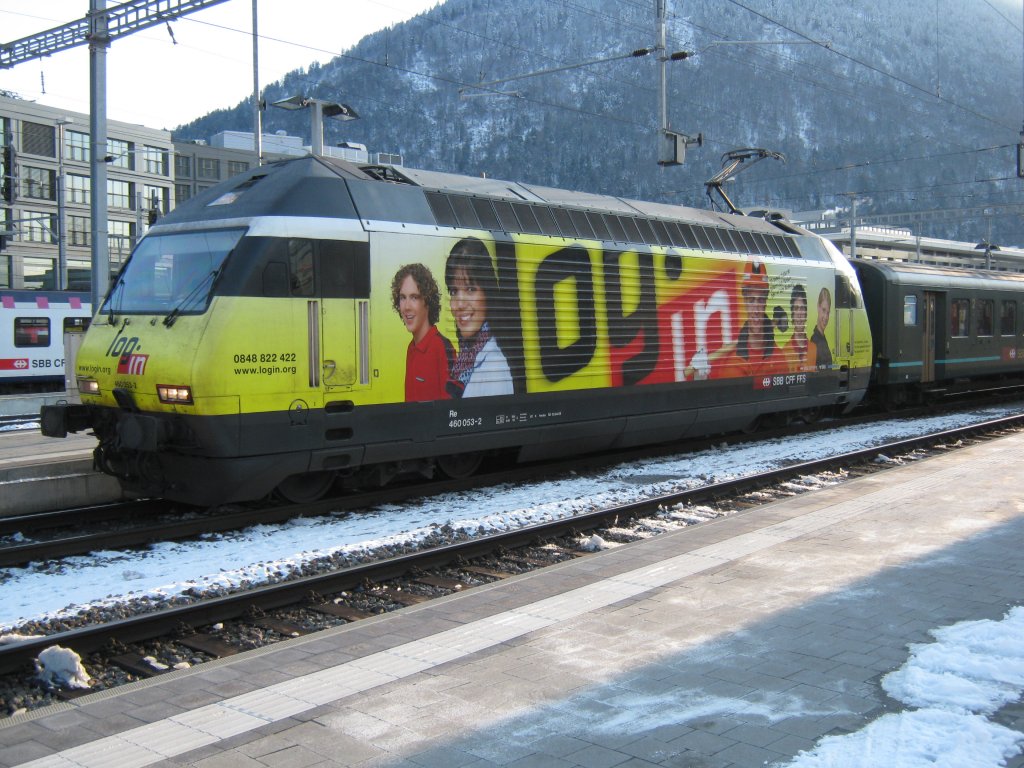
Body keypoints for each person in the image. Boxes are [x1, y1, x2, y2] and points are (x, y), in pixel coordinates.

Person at [444, 238, 513, 397]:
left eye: (470, 289)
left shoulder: (494, 368)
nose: (459, 304)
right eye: (454, 291)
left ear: (487, 292)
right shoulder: (467, 358)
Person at [391, 263, 454, 402]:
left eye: (414, 297)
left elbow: (450, 411)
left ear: (427, 301)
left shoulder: (442, 347)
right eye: (402, 297)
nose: (406, 307)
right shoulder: (411, 348)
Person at [714, 258, 783, 379]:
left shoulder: (779, 358)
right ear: (745, 303)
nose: (756, 310)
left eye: (760, 300)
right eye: (751, 300)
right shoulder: (729, 362)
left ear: (766, 302)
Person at [781, 284, 814, 373]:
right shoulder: (784, 352)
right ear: (792, 314)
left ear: (806, 314)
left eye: (802, 308)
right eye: (796, 308)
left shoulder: (814, 349)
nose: (799, 313)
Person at [810, 286, 833, 370]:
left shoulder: (822, 338)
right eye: (823, 310)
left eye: (828, 312)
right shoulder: (815, 341)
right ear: (818, 307)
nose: (826, 317)